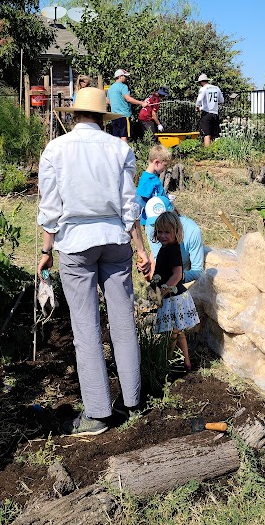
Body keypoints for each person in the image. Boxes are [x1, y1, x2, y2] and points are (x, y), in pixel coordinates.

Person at [37, 86, 151, 436]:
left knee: (86, 328)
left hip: (76, 244)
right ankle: (132, 401)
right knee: (123, 321)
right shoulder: (120, 149)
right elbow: (129, 206)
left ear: (74, 115)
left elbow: (51, 208)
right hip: (115, 241)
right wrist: (141, 249)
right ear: (104, 117)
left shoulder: (56, 149)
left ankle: (98, 414)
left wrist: (46, 252)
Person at [151, 211, 200, 371]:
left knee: (172, 333)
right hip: (175, 296)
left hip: (174, 298)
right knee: (178, 332)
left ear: (176, 232)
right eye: (159, 232)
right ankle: (187, 362)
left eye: (167, 232)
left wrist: (162, 291)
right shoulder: (167, 248)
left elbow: (177, 275)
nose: (162, 235)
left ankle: (165, 362)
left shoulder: (171, 250)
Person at [144, 195, 205, 284]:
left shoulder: (193, 231)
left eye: (167, 231)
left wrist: (176, 278)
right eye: (159, 230)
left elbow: (197, 271)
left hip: (182, 273)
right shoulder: (151, 226)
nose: (162, 235)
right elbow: (157, 257)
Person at [107, 69, 148, 143]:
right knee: (124, 136)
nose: (126, 78)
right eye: (125, 76)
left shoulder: (110, 88)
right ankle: (125, 150)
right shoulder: (123, 87)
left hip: (114, 116)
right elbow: (128, 99)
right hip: (124, 115)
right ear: (120, 76)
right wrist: (142, 103)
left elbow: (108, 101)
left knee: (116, 137)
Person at [136, 144, 171, 228]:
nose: (165, 168)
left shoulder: (153, 177)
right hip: (152, 219)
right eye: (165, 165)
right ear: (157, 162)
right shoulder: (147, 179)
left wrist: (166, 198)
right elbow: (140, 200)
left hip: (158, 216)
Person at [196, 73, 224, 147]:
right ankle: (214, 150)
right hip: (215, 113)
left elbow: (199, 99)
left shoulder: (203, 88)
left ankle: (207, 151)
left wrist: (197, 107)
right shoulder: (217, 88)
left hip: (206, 113)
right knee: (215, 134)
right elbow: (221, 100)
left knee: (207, 134)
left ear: (201, 82)